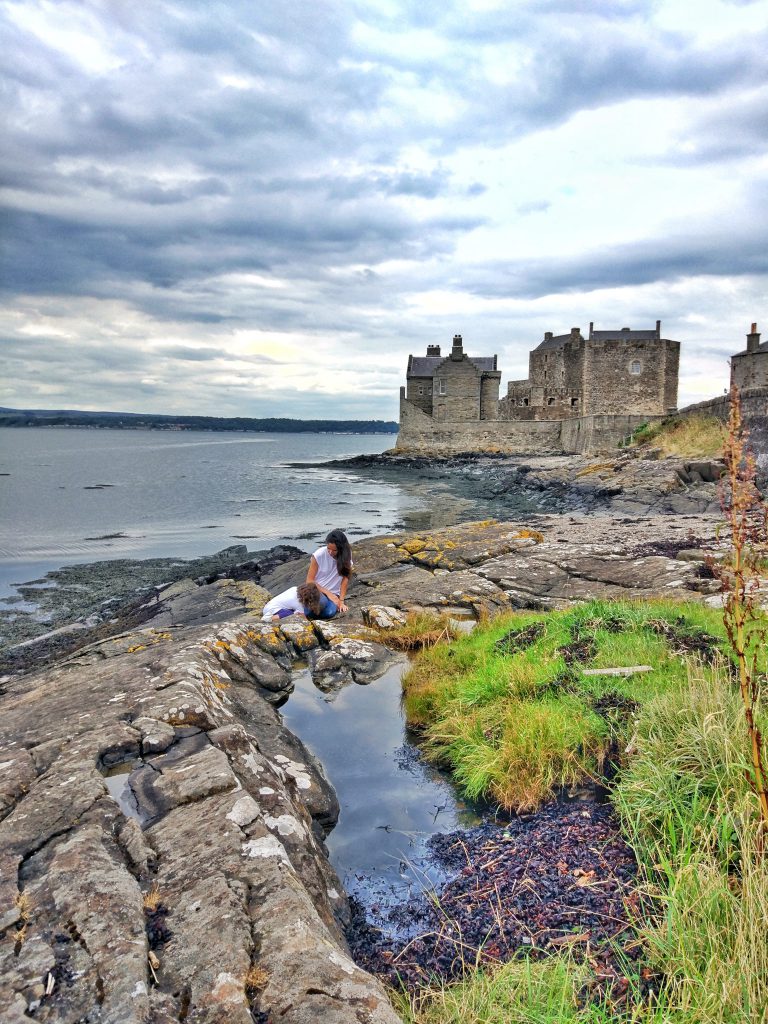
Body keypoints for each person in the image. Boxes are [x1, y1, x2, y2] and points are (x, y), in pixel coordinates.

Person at [305, 528, 352, 618]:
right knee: (321, 603)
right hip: (317, 590)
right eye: (328, 548)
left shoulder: (347, 554)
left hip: (334, 593)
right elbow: (309, 580)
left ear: (341, 548)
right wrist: (329, 594)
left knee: (329, 613)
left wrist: (341, 601)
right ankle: (305, 609)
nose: (330, 552)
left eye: (334, 550)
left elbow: (345, 578)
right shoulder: (319, 555)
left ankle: (308, 610)